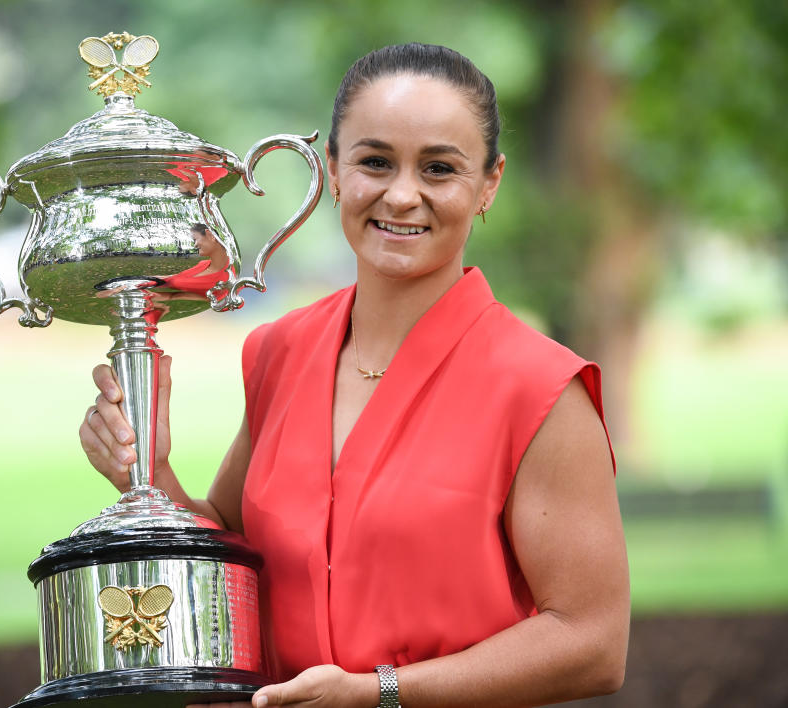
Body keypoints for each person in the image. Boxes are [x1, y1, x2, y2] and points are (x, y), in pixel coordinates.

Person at [80, 43, 629, 708]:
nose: (402, 194)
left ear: (489, 183)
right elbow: (233, 544)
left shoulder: (540, 388)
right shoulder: (280, 351)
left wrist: (382, 693)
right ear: (334, 170)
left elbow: (593, 641)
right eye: (375, 162)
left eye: (439, 168)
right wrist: (153, 476)